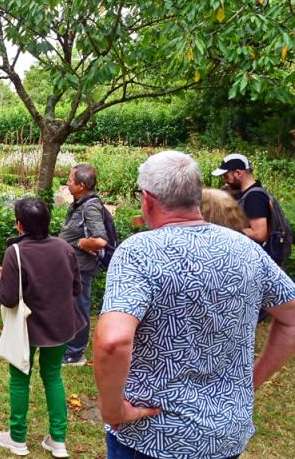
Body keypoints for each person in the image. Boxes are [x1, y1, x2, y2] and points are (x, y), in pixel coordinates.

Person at [94, 150, 295, 459]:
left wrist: (113, 410)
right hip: (224, 435)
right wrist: (251, 382)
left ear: (147, 199)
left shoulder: (139, 252)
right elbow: (291, 315)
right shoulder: (246, 249)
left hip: (153, 436)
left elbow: (113, 341)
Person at [0, 198, 85, 458]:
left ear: (19, 224)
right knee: (53, 376)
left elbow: (9, 297)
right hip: (61, 325)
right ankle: (58, 441)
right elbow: (76, 289)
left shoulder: (16, 252)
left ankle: (18, 439)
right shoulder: (65, 247)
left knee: (20, 379)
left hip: (27, 328)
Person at [58, 164, 108, 366]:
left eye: (70, 180)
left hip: (81, 268)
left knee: (79, 307)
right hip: (72, 266)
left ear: (81, 185)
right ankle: (69, 345)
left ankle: (75, 353)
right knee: (72, 306)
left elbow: (100, 240)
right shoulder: (80, 203)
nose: (67, 183)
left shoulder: (91, 206)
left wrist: (79, 243)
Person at [212, 153, 285, 263]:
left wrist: (226, 227)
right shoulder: (251, 193)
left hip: (258, 262)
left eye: (226, 176)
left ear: (238, 173)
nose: (224, 180)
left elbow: (259, 234)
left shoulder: (254, 197)